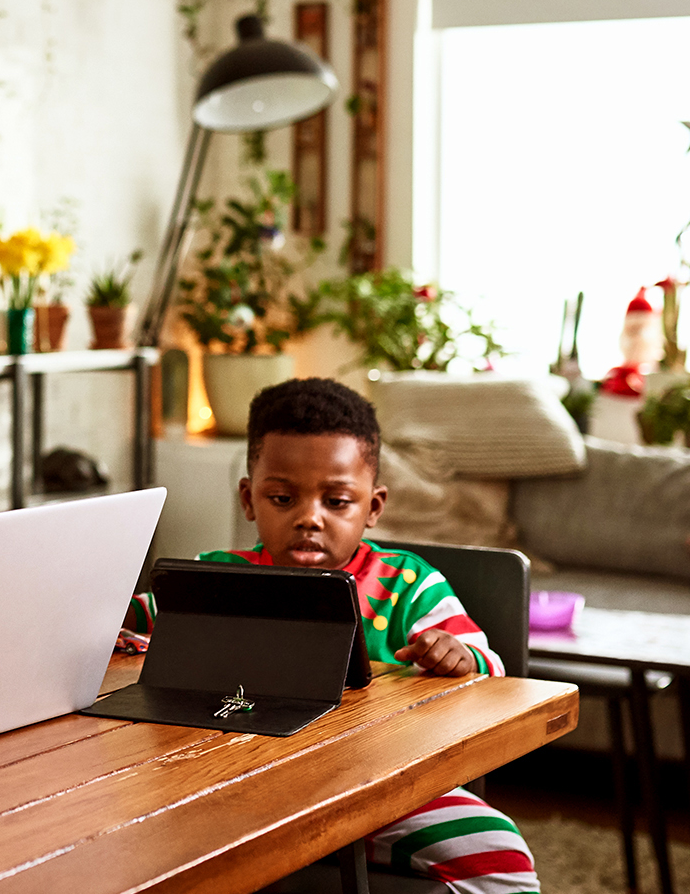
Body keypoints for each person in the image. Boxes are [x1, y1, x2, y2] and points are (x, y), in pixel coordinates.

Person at [125, 378, 538, 894]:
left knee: (497, 855)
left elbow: (492, 669)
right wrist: (123, 634)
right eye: (282, 497)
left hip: (381, 787)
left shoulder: (408, 584)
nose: (309, 518)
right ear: (249, 500)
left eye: (338, 501)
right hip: (229, 787)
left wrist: (461, 655)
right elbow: (123, 628)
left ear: (374, 506)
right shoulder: (215, 578)